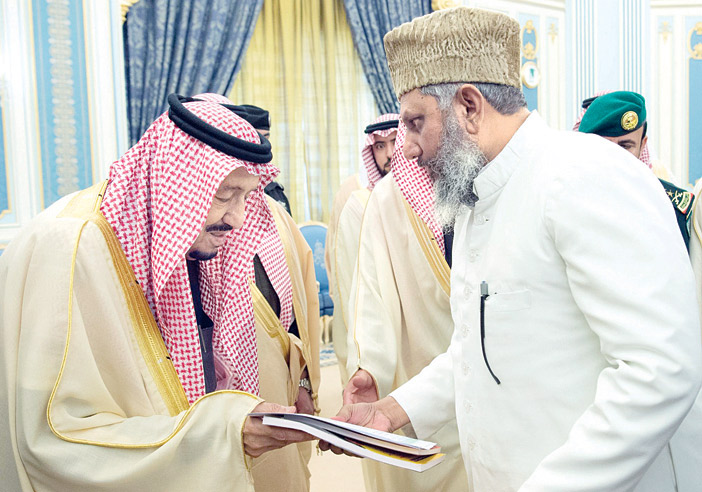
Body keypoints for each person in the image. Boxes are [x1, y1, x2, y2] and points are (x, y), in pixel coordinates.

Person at [322, 7, 702, 491]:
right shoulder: (477, 201)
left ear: (469, 106)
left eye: (416, 122)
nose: (408, 148)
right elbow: (477, 350)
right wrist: (392, 411)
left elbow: (660, 370)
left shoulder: (584, 175)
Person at [0, 94, 312, 491]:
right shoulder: (70, 249)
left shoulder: (195, 244)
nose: (237, 218)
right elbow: (53, 441)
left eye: (246, 196)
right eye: (223, 194)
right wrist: (218, 432)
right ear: (172, 180)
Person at [343, 121, 469, 491]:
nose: (408, 147)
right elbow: (371, 292)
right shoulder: (387, 201)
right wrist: (370, 366)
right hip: (417, 377)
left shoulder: (490, 186)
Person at [203, 94, 320, 490]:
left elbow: (301, 309)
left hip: (280, 384)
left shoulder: (276, 216)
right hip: (217, 406)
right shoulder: (196, 234)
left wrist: (304, 384)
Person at [325, 114, 399, 383]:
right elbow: (336, 251)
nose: (389, 153)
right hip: (364, 296)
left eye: (394, 142)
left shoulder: (421, 188)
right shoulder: (353, 192)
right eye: (379, 146)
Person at [577, 90, 694, 247]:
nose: (616, 155)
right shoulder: (564, 200)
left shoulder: (670, 205)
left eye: (625, 146)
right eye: (604, 145)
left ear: (642, 145)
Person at [233, 103, 293, 216]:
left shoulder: (273, 190)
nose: (263, 145)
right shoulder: (232, 188)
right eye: (256, 138)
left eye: (266, 139)